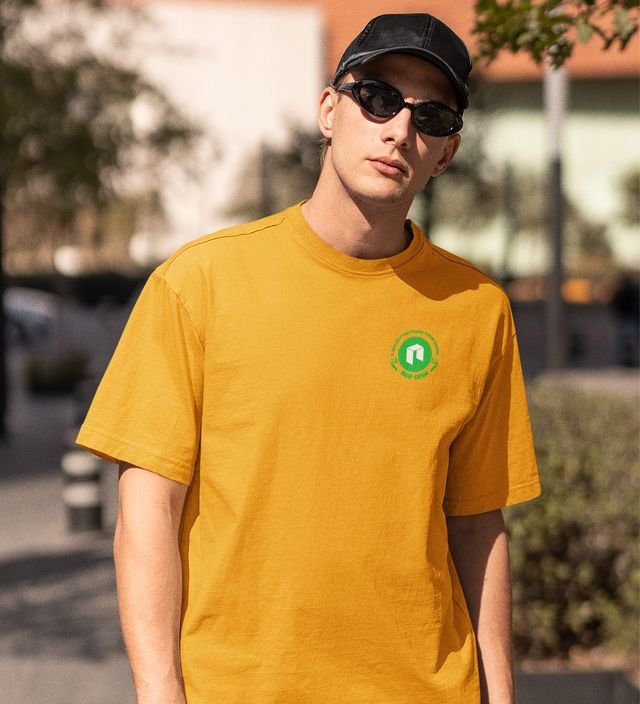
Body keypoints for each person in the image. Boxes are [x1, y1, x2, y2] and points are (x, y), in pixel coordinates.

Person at [77, 12, 541, 704]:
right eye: (378, 98)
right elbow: (148, 511)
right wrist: (159, 690)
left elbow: (477, 525)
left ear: (446, 153)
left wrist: (501, 695)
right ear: (329, 110)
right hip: (239, 689)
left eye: (431, 117)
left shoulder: (476, 309)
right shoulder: (199, 284)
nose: (399, 130)